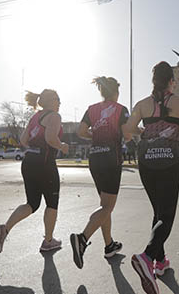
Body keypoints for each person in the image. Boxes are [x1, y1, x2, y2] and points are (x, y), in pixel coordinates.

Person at [125, 61, 179, 294]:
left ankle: (160, 261)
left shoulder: (142, 104)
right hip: (168, 160)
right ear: (171, 81)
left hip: (146, 161)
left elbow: (128, 129)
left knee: (158, 211)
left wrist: (143, 131)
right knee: (167, 214)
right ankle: (146, 257)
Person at [0, 89, 69, 254]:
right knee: (52, 203)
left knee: (32, 203)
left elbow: (23, 140)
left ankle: (4, 229)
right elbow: (50, 138)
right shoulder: (54, 116)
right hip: (45, 163)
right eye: (57, 99)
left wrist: (35, 149)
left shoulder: (35, 117)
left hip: (29, 161)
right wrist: (62, 146)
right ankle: (48, 241)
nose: (60, 102)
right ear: (50, 101)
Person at [70, 76, 131, 269]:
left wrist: (94, 134)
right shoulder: (121, 109)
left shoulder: (91, 109)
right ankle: (82, 238)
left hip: (94, 158)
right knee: (107, 207)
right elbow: (128, 134)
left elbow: (80, 131)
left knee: (105, 205)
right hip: (111, 158)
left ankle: (109, 245)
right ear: (115, 92)